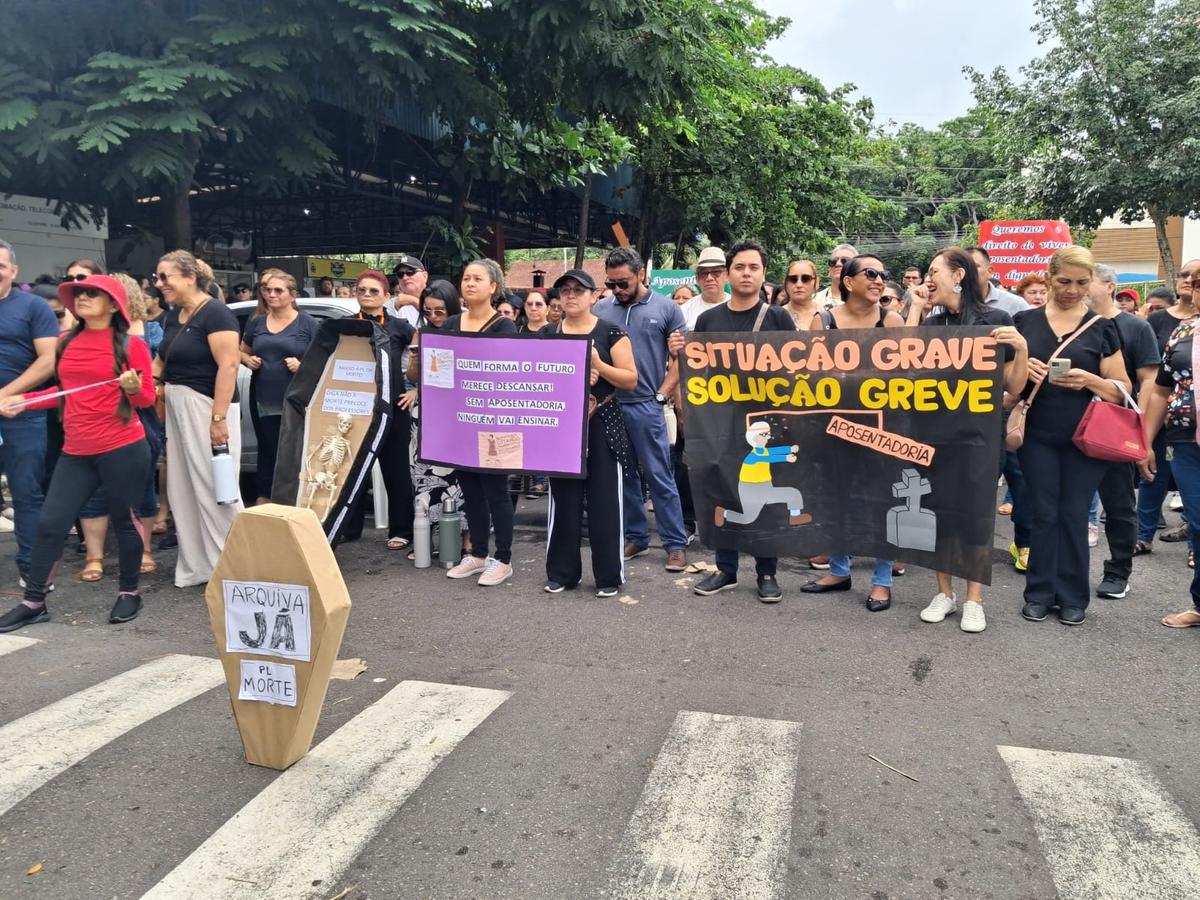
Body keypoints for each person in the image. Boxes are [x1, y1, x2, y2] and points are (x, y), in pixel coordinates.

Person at [0, 275, 155, 632]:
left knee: (124, 521)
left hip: (123, 447)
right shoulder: (66, 341)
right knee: (52, 523)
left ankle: (130, 591)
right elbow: (66, 392)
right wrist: (25, 401)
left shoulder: (131, 346)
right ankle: (34, 601)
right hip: (76, 450)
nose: (82, 298)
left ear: (114, 304)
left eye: (92, 294)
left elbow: (146, 399)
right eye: (79, 294)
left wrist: (133, 389)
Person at [906, 249, 1028, 633]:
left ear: (958, 274)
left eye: (933, 271)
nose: (927, 279)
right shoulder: (932, 323)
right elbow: (902, 366)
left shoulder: (997, 320)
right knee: (938, 513)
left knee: (975, 515)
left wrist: (1021, 348)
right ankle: (945, 593)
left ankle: (974, 598)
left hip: (978, 436)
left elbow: (1014, 385)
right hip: (933, 434)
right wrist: (914, 310)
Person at [1012, 247, 1129, 625]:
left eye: (1081, 282)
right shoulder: (1024, 322)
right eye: (1064, 281)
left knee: (1075, 513)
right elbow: (1005, 387)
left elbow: (1123, 389)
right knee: (1044, 512)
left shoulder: (1102, 326)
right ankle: (1039, 592)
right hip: (1037, 434)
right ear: (1049, 278)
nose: (1072, 290)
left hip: (1087, 436)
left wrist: (1092, 380)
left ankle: (1073, 595)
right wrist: (1021, 369)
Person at [689, 240, 799, 602]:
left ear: (763, 273)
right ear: (727, 274)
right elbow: (699, 373)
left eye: (753, 267)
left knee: (763, 496)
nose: (746, 273)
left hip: (765, 426)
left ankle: (767, 572)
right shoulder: (708, 320)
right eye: (740, 267)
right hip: (721, 424)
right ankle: (725, 569)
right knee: (724, 491)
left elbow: (796, 368)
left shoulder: (778, 317)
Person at [802, 255, 905, 611]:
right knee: (836, 498)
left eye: (883, 275)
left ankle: (882, 580)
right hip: (834, 426)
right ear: (848, 282)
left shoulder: (891, 320)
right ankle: (839, 570)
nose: (879, 281)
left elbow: (906, 374)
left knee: (881, 501)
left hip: (881, 426)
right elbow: (811, 372)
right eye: (871, 274)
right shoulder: (824, 320)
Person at [411, 259, 517, 585]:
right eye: (466, 277)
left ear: (492, 287)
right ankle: (479, 553)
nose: (469, 283)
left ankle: (504, 558)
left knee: (496, 491)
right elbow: (439, 374)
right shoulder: (453, 322)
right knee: (470, 489)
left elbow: (505, 374)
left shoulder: (504, 327)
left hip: (494, 422)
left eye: (477, 279)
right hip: (461, 422)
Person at [541, 269, 636, 596]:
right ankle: (562, 572)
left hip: (603, 421)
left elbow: (631, 379)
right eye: (565, 290)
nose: (571, 295)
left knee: (605, 501)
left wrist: (599, 364)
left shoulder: (611, 331)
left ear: (594, 295)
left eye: (578, 290)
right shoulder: (548, 332)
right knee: (563, 500)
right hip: (560, 425)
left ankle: (609, 576)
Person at [594, 247, 689, 572]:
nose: (617, 291)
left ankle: (675, 544)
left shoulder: (667, 308)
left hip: (647, 406)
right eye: (611, 284)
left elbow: (682, 360)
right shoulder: (602, 308)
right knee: (625, 477)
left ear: (641, 276)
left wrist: (661, 396)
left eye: (623, 283)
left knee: (660, 476)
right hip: (610, 406)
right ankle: (636, 536)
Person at [154, 250, 244, 587]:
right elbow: (162, 362)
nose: (159, 284)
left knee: (215, 488)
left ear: (190, 276)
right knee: (183, 489)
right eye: (157, 278)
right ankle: (200, 566)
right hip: (178, 405)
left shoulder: (216, 313)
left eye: (165, 277)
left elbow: (229, 365)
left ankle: (237, 565)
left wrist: (217, 418)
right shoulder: (173, 316)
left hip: (206, 406)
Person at [1086, 264, 1160, 599]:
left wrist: (1141, 433)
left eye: (1086, 281)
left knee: (1118, 505)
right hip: (1072, 428)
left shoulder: (1135, 327)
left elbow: (1148, 381)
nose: (1079, 288)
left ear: (1110, 286)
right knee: (1069, 504)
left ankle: (1118, 572)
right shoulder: (1075, 322)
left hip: (1116, 428)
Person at [340, 270, 416, 550]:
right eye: (362, 290)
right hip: (356, 409)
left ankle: (401, 529)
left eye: (374, 291)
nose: (367, 295)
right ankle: (349, 527)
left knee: (396, 471)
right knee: (353, 469)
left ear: (386, 296)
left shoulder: (400, 327)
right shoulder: (345, 326)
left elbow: (429, 357)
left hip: (394, 408)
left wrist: (415, 391)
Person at [1138, 296, 1200, 628]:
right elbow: (1162, 391)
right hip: (1186, 443)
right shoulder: (1183, 333)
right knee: (1199, 521)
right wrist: (1145, 442)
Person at [0, 238, 58, 586]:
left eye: (1, 266)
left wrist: (5, 394)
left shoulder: (34, 307)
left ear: (14, 271)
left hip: (23, 411)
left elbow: (49, 360)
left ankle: (32, 569)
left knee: (26, 492)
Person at [240, 269, 318, 505]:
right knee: (267, 448)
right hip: (263, 397)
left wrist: (302, 365)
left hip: (297, 399)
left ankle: (294, 499)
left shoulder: (308, 324)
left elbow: (324, 360)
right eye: (267, 290)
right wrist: (248, 360)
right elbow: (241, 350)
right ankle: (264, 499)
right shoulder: (257, 322)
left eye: (278, 290)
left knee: (295, 450)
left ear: (292, 295)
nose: (271, 295)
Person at [1137, 263, 1198, 554]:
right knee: (1153, 474)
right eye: (1188, 278)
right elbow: (1159, 384)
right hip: (1178, 428)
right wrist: (1144, 439)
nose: (1192, 284)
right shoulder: (1175, 328)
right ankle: (1143, 534)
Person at [966, 248, 1029, 316]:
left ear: (990, 271)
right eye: (964, 267)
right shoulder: (954, 305)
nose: (969, 271)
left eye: (974, 266)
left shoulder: (1016, 304)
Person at [679, 247, 728, 329]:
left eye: (716, 272)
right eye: (704, 273)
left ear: (727, 276)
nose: (709, 278)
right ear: (697, 279)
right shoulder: (684, 310)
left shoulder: (739, 307)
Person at [812, 243, 857, 309]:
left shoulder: (865, 301)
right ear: (829, 270)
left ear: (856, 268)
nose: (838, 264)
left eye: (845, 261)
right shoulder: (813, 301)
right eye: (833, 261)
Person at [386, 255, 427, 326]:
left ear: (425, 276)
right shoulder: (391, 305)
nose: (405, 277)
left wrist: (414, 302)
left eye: (410, 272)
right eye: (400, 274)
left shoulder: (439, 298)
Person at [780, 259, 820, 329]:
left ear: (816, 282)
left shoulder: (828, 314)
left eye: (806, 279)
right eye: (793, 279)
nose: (799, 285)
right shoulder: (776, 316)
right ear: (786, 283)